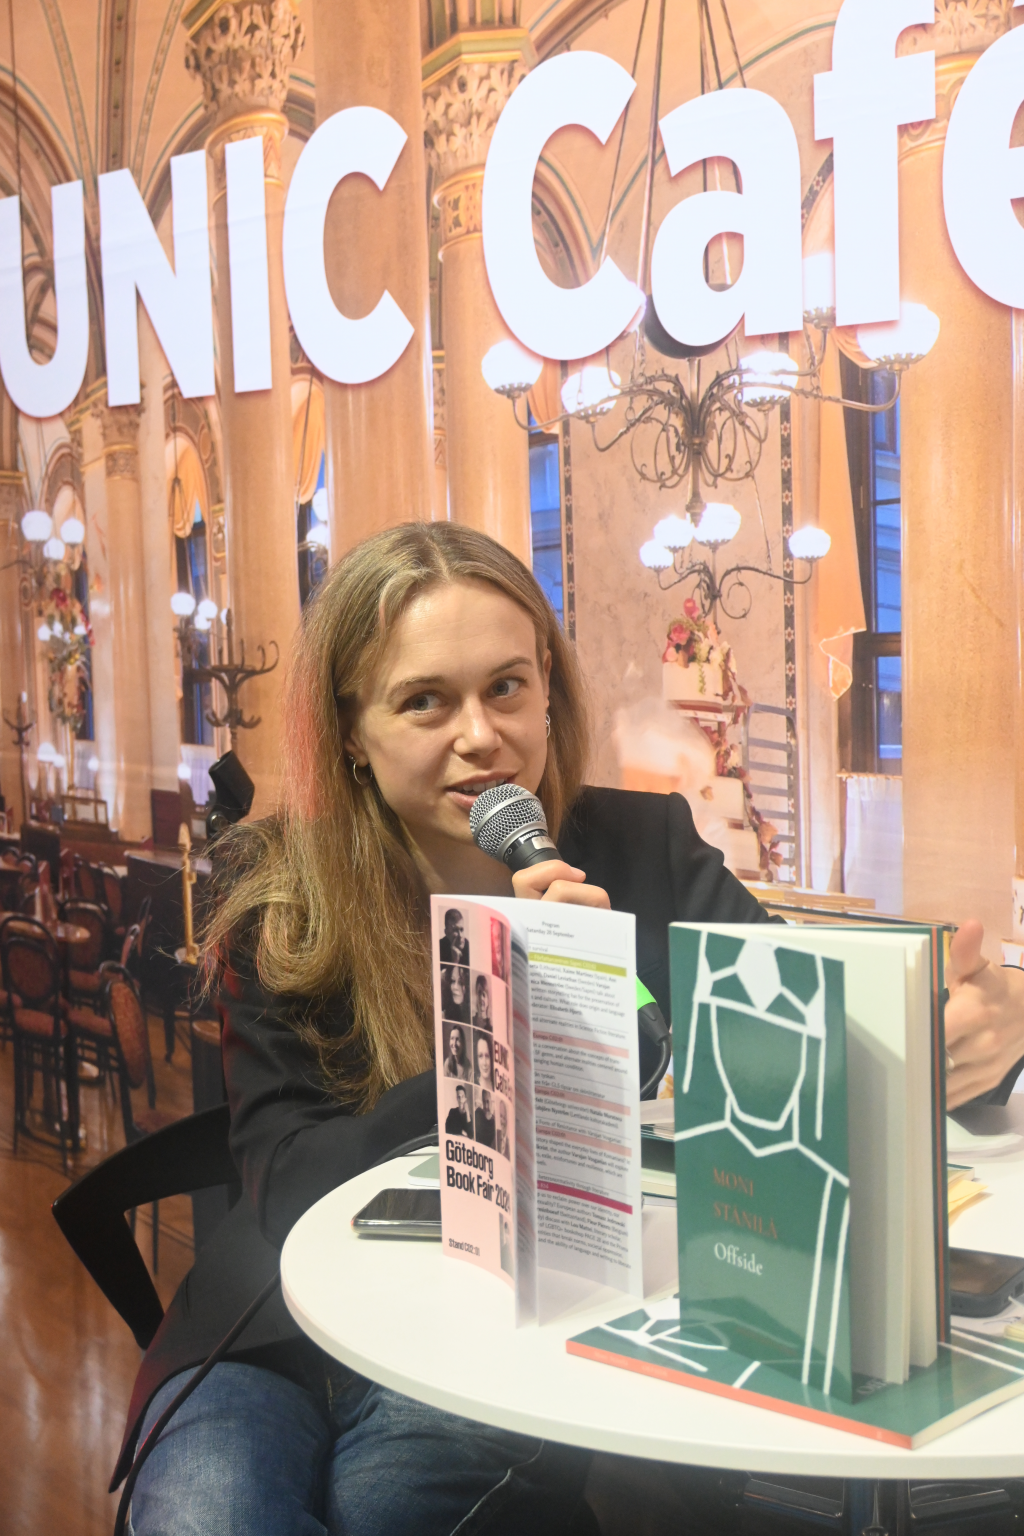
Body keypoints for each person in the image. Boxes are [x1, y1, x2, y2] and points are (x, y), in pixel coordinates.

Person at [120, 522, 1024, 1535]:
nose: (480, 735)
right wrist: (509, 1037)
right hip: (271, 1329)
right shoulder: (284, 893)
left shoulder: (643, 844)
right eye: (425, 701)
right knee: (203, 1516)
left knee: (392, 1511)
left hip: (506, 1317)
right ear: (350, 732)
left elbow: (804, 1031)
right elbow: (289, 1179)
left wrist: (976, 1039)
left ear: (547, 688)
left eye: (506, 687)